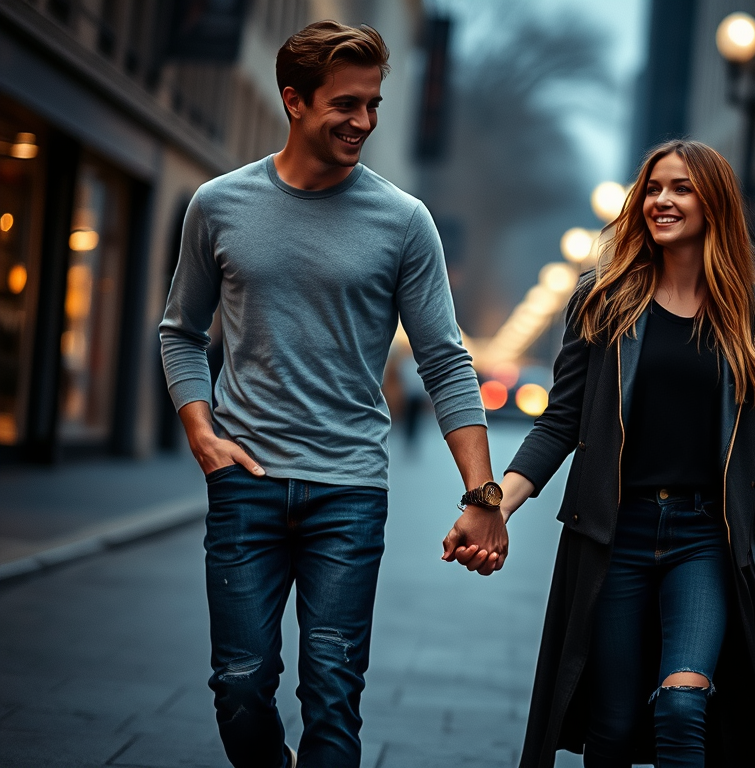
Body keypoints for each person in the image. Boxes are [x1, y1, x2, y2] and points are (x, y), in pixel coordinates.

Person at [160, 22, 507, 768]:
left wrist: (482, 495)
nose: (364, 122)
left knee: (332, 690)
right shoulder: (218, 205)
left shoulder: (404, 222)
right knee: (241, 683)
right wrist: (200, 429)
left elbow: (446, 362)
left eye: (374, 104)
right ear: (292, 100)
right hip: (245, 484)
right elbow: (179, 331)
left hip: (348, 490)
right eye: (346, 104)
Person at [466, 140, 755, 767]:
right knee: (610, 728)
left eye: (681, 188)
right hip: (619, 535)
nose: (661, 201)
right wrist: (495, 504)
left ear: (714, 203)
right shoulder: (605, 300)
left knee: (680, 705)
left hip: (704, 539)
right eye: (653, 188)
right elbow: (560, 423)